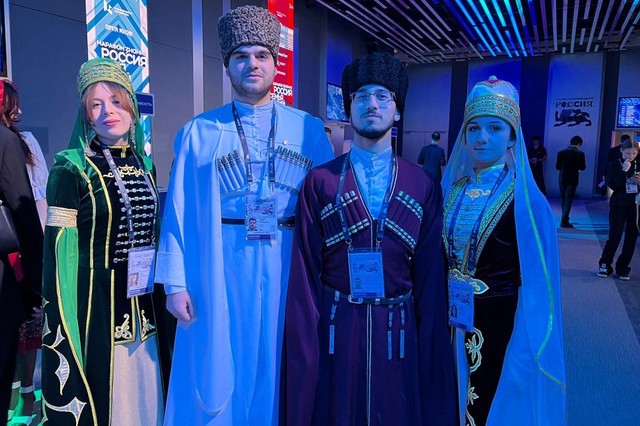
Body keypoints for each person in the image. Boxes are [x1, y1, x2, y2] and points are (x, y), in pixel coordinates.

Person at [155, 6, 333, 425]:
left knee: (279, 352)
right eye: (241, 56)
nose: (252, 64)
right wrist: (175, 284)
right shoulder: (198, 131)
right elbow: (177, 211)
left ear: (275, 63)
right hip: (220, 264)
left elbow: (327, 206)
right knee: (220, 352)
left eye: (261, 55)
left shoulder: (308, 129)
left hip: (288, 260)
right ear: (227, 66)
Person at [284, 52, 456, 425]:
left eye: (382, 95)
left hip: (398, 331)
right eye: (361, 96)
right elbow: (305, 278)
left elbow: (429, 280)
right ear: (349, 108)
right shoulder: (319, 182)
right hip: (337, 330)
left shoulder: (422, 185)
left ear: (397, 110)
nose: (371, 104)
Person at [41, 58, 165, 425]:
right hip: (95, 308)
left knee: (148, 393)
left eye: (115, 101)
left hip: (145, 304)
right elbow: (57, 255)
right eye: (96, 104)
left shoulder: (145, 164)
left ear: (131, 107)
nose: (108, 111)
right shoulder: (70, 169)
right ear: (86, 115)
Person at [441, 76, 566, 425]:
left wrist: (528, 342)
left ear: (512, 137)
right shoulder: (451, 190)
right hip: (450, 315)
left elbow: (539, 285)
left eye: (495, 128)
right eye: (474, 128)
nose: (482, 137)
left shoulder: (528, 201)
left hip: (500, 322)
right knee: (449, 394)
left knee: (486, 401)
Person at [1, 80, 48, 426]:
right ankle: (18, 394)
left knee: (27, 328)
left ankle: (27, 394)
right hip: (13, 249)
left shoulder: (25, 140)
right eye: (12, 103)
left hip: (21, 243)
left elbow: (38, 194)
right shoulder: (7, 141)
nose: (18, 110)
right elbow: (22, 203)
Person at [597, 138, 640, 280]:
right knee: (614, 236)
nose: (631, 156)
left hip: (635, 205)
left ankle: (623, 267)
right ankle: (605, 264)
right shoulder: (614, 165)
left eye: (634, 153)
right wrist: (624, 171)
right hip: (618, 204)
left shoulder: (638, 164)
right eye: (628, 153)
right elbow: (613, 185)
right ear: (621, 151)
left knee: (631, 238)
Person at [555, 135, 586, 228]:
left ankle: (565, 218)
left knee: (563, 199)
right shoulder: (580, 153)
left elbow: (557, 167)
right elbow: (582, 167)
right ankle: (564, 221)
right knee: (568, 200)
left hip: (562, 178)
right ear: (579, 144)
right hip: (573, 179)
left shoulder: (561, 153)